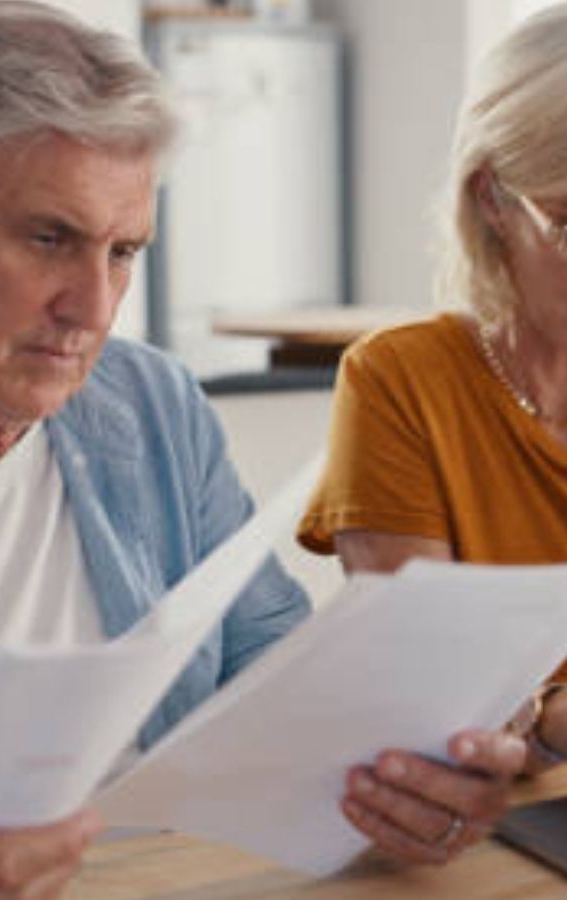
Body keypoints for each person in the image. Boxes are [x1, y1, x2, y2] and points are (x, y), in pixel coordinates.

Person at [0, 1, 526, 895]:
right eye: (50, 238)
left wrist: (400, 775)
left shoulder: (151, 407)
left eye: (124, 252)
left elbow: (274, 684)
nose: (93, 309)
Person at [298, 4, 567, 792]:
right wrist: (549, 721)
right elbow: (437, 703)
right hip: (488, 827)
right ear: (491, 199)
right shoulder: (401, 383)